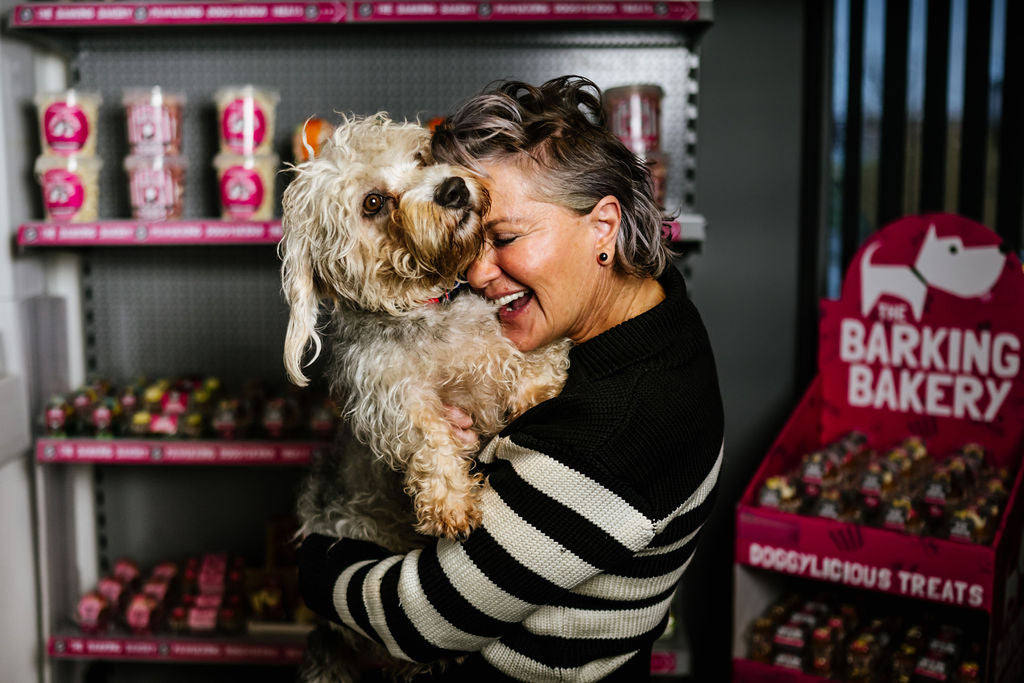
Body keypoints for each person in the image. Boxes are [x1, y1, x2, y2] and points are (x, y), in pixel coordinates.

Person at [298, 75, 724, 682]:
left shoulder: (618, 426)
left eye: (503, 238)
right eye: (471, 236)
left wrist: (317, 565)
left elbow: (425, 619)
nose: (477, 271)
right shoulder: (661, 324)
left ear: (602, 227)